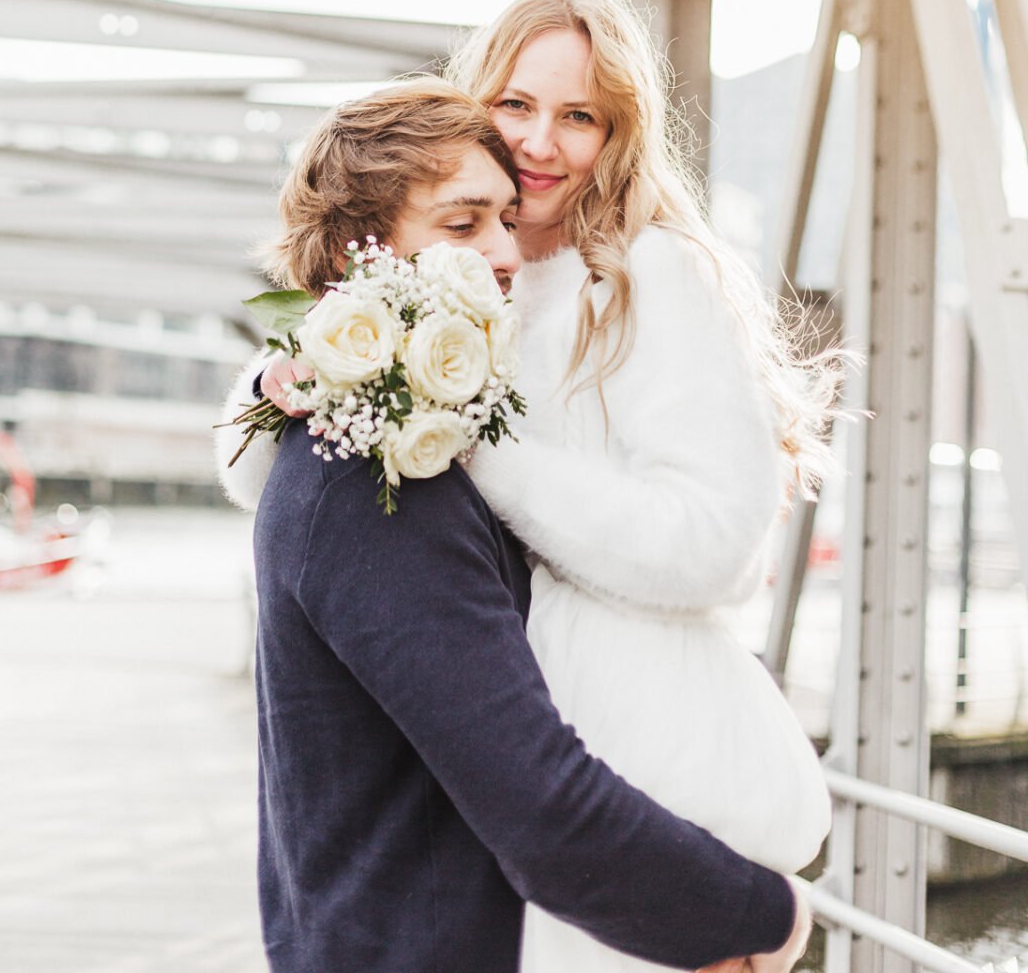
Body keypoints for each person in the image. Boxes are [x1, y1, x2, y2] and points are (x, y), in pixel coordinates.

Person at [216, 78, 812, 973]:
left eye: (505, 219)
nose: (504, 252)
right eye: (463, 225)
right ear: (355, 254)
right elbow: (543, 811)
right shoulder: (379, 485)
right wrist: (763, 916)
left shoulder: (364, 449)